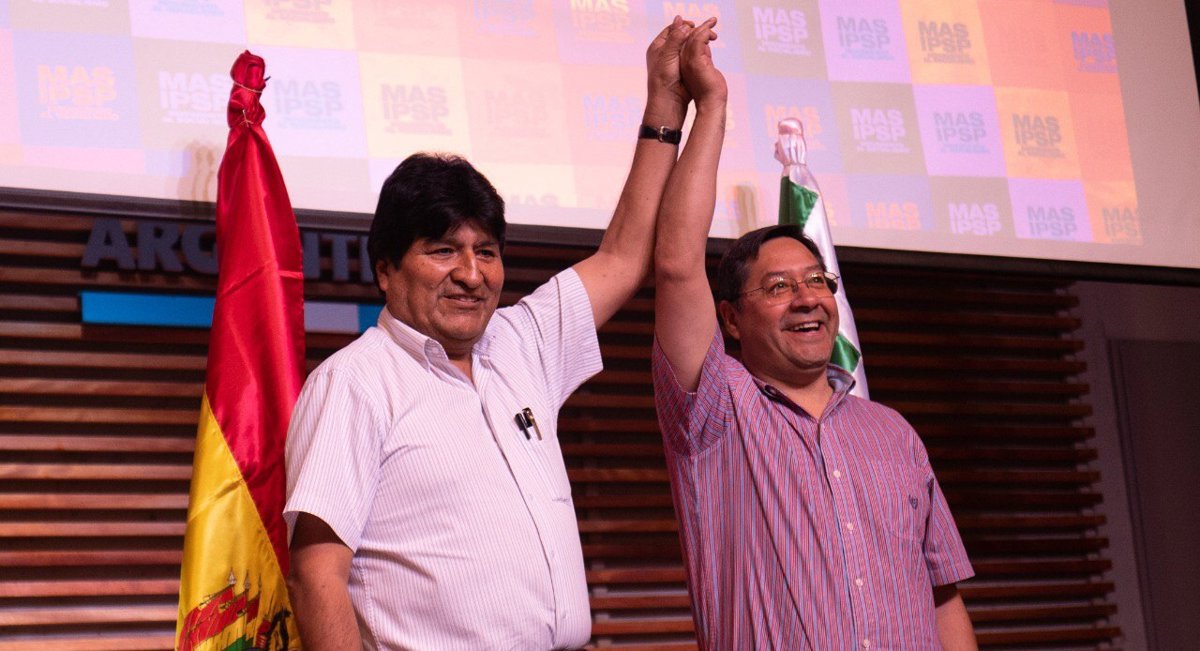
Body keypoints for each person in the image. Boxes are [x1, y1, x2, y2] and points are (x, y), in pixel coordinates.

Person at [284, 18, 698, 650]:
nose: (472, 275)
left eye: (487, 251)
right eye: (443, 250)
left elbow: (621, 257)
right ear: (386, 269)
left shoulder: (521, 341)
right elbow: (316, 577)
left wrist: (665, 104)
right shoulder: (353, 383)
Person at [651, 17, 979, 650]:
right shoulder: (716, 410)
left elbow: (943, 598)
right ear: (731, 319)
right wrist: (711, 107)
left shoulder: (894, 433)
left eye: (818, 281)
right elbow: (676, 264)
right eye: (778, 287)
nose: (807, 299)